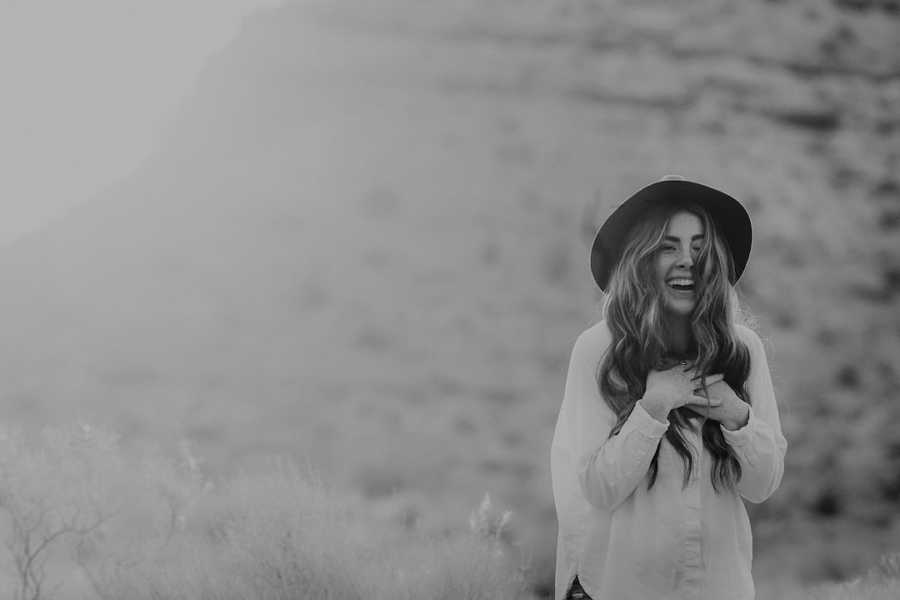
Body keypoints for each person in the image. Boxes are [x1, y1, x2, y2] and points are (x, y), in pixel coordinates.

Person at [551, 176, 788, 600]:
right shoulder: (597, 351)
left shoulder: (743, 351)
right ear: (642, 259)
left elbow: (763, 484)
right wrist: (653, 407)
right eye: (668, 246)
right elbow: (596, 487)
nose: (687, 261)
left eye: (699, 247)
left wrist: (736, 415)